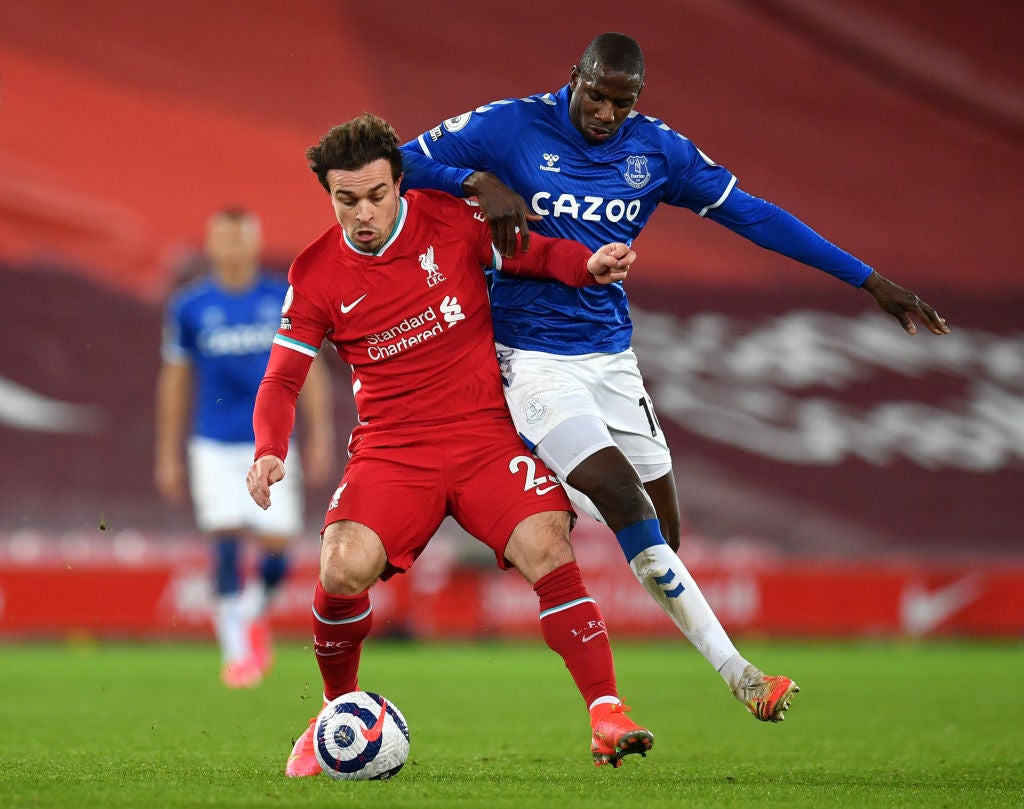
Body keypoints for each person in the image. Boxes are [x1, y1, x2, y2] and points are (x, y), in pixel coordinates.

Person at [400, 32, 951, 722]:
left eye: (620, 102)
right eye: (596, 95)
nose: (604, 113)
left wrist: (869, 280)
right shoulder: (508, 126)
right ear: (574, 77)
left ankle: (547, 496)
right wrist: (476, 181)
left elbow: (756, 215)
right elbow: (394, 164)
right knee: (625, 499)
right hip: (529, 356)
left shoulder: (657, 151)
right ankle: (743, 675)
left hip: (612, 358)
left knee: (662, 537)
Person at [246, 113, 653, 776]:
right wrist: (269, 447)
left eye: (377, 195)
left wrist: (591, 263)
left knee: (547, 542)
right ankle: (336, 711)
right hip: (393, 449)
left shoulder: (449, 219)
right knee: (340, 566)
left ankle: (607, 712)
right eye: (346, 200)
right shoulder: (315, 272)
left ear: (400, 182)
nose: (363, 213)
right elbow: (282, 378)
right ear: (330, 196)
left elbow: (538, 255)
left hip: (482, 435)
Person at [154, 207, 335, 689]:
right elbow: (174, 381)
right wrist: (168, 454)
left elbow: (308, 368)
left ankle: (250, 616)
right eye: (224, 239)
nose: (233, 249)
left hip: (273, 442)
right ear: (211, 246)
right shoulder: (190, 307)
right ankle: (238, 655)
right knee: (227, 538)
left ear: (255, 244)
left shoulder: (281, 296)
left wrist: (320, 435)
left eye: (241, 239)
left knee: (278, 549)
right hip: (212, 442)